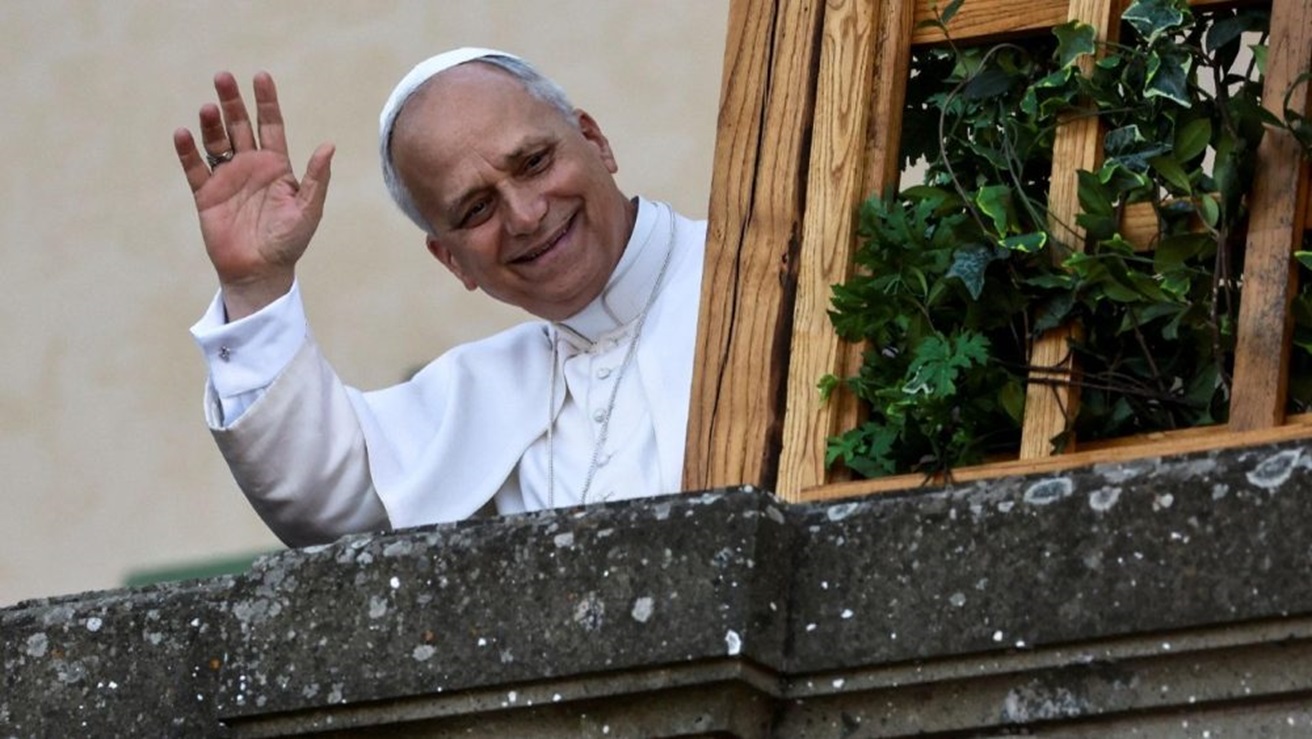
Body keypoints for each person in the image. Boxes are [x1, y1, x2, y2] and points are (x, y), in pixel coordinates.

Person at [173, 49, 706, 547]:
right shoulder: (483, 391)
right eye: (477, 210)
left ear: (595, 140)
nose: (525, 216)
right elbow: (320, 496)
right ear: (452, 261)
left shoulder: (739, 271)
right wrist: (255, 284)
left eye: (534, 163)